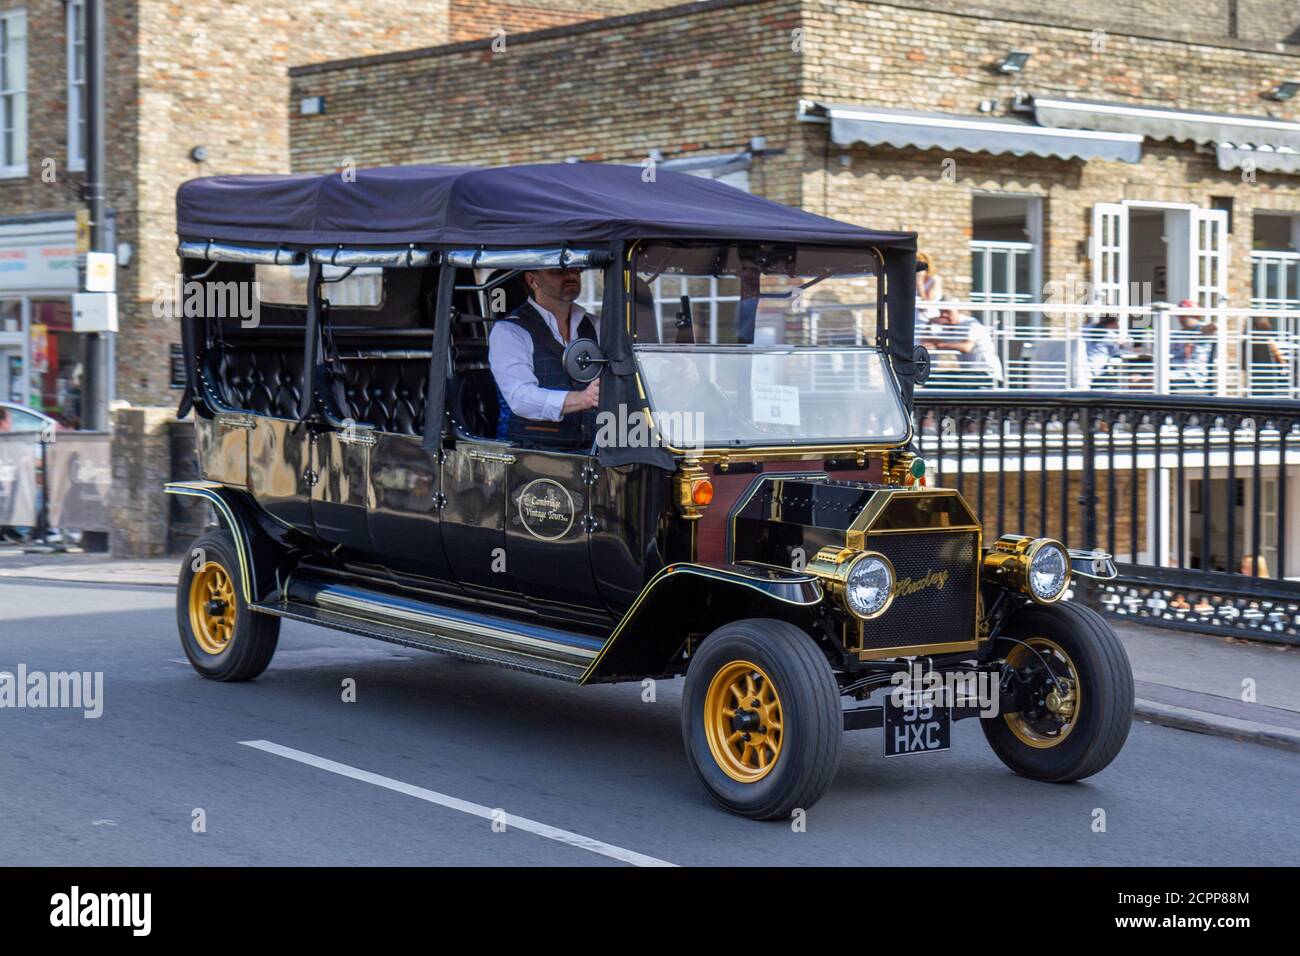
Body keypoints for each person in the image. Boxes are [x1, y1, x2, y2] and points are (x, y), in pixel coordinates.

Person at [488, 267, 601, 449]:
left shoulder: (596, 325)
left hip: (594, 450)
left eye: (576, 270)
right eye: (558, 271)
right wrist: (582, 398)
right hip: (529, 453)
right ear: (533, 280)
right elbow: (520, 397)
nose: (571, 275)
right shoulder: (509, 331)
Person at [919, 299, 1003, 387]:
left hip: (987, 374)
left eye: (947, 312)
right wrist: (929, 323)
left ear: (958, 311)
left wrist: (938, 345)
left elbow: (966, 347)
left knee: (938, 382)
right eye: (941, 312)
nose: (944, 315)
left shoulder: (971, 323)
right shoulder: (948, 327)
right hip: (970, 373)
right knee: (931, 379)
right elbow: (926, 342)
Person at [915, 251, 943, 325]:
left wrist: (920, 283)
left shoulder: (935, 280)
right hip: (914, 319)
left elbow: (926, 304)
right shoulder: (911, 281)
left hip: (929, 320)